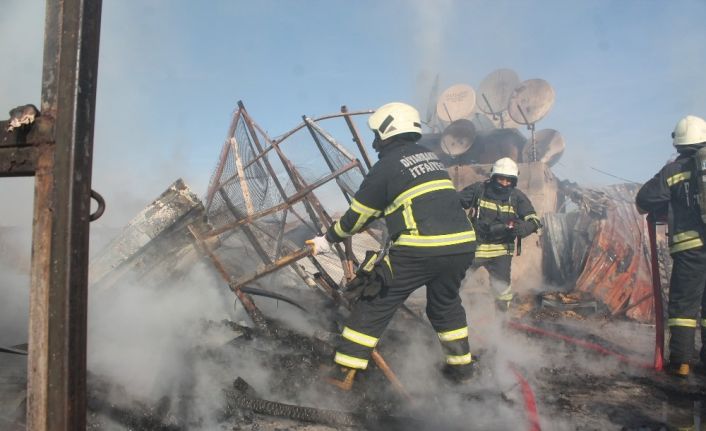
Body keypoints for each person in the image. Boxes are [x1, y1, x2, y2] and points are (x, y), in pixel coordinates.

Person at [306, 102, 477, 390]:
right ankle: (461, 371)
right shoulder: (432, 159)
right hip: (461, 247)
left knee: (373, 303)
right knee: (446, 306)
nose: (374, 143)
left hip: (421, 249)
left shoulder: (387, 166)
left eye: (377, 135)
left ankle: (342, 375)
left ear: (388, 131)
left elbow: (359, 215)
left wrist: (326, 240)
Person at [636, 114, 706, 378]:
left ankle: (681, 363)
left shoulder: (673, 170)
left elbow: (645, 198)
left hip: (690, 250)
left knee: (683, 308)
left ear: (678, 143)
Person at [458, 157, 542, 311]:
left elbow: (534, 220)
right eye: (501, 179)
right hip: (474, 249)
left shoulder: (517, 197)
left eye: (508, 180)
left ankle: (501, 320)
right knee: (455, 284)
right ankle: (445, 313)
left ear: (514, 181)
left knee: (502, 291)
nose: (504, 183)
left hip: (501, 252)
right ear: (493, 177)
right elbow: (454, 203)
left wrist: (525, 228)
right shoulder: (479, 190)